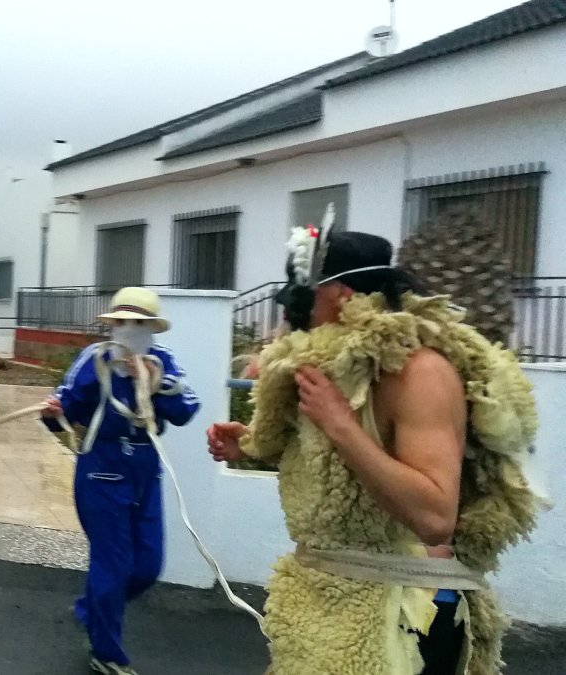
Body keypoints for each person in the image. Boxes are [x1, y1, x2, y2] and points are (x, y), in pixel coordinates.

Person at [207, 226, 540, 674]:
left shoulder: (421, 373)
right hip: (325, 604)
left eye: (307, 299)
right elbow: (336, 474)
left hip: (407, 615)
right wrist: (247, 444)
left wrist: (341, 424)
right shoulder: (334, 370)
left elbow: (435, 516)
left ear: (342, 295)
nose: (295, 316)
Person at [42, 287, 200, 675]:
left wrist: (153, 383)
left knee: (147, 564)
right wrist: (54, 412)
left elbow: (186, 409)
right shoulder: (94, 360)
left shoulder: (163, 362)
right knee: (113, 564)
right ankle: (107, 653)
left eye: (140, 322)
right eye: (122, 322)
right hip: (102, 466)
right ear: (111, 326)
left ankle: (91, 610)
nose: (130, 329)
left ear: (152, 328)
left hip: (146, 467)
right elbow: (64, 407)